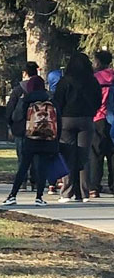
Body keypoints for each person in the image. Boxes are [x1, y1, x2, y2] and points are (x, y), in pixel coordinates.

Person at [2, 75, 61, 206]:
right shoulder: (51, 100)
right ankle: (39, 197)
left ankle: (13, 195)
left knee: (23, 167)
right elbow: (58, 121)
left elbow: (16, 116)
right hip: (47, 139)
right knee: (42, 168)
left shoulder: (26, 100)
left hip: (30, 139)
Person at [53, 51, 102, 201]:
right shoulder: (92, 81)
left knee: (68, 156)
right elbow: (98, 100)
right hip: (86, 119)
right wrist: (91, 112)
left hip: (67, 119)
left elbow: (57, 101)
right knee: (84, 156)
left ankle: (67, 192)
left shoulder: (65, 81)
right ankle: (84, 192)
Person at [5, 61, 41, 190]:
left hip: (20, 126)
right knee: (36, 156)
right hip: (38, 126)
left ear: (24, 73)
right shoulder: (41, 88)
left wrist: (10, 124)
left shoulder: (18, 89)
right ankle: (35, 182)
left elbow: (10, 109)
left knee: (22, 156)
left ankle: (22, 181)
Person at [89, 50, 114, 197]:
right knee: (112, 154)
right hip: (113, 118)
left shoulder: (95, 78)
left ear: (98, 62)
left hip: (98, 117)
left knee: (96, 153)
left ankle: (94, 187)